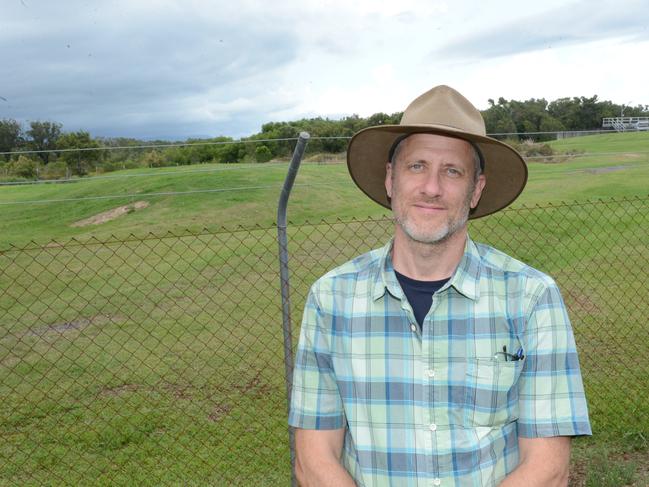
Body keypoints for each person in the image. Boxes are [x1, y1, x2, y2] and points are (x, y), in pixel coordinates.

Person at [288, 85, 591, 486]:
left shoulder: (531, 297)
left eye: (452, 171)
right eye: (417, 166)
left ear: (475, 191)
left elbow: (548, 468)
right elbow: (314, 458)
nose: (432, 187)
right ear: (390, 180)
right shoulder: (331, 298)